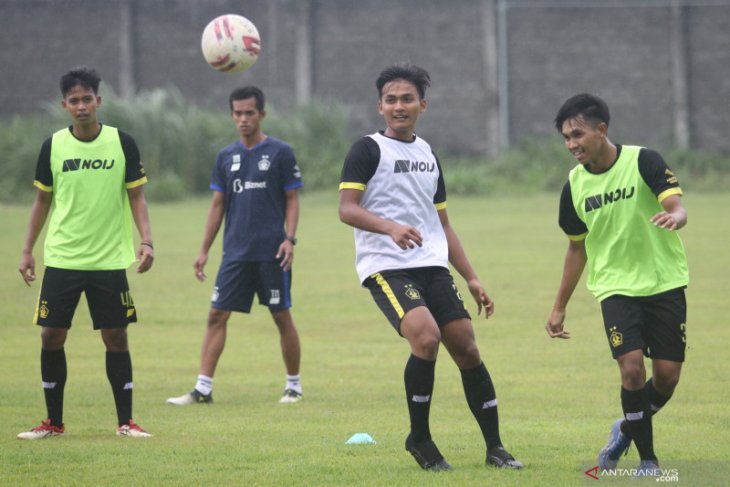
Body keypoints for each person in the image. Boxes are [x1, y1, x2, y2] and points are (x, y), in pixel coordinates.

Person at [338, 64, 522, 472]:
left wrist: (471, 276)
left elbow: (442, 223)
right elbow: (346, 209)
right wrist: (389, 227)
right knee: (425, 338)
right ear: (380, 106)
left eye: (407, 99)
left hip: (432, 265)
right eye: (391, 100)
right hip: (386, 266)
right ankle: (419, 437)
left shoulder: (427, 153)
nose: (398, 106)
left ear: (423, 104)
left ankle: (495, 448)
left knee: (467, 346)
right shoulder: (367, 150)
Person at [545, 93, 689, 476]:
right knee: (631, 371)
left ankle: (627, 426)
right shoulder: (574, 187)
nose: (572, 144)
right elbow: (577, 249)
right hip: (615, 287)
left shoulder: (643, 160)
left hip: (664, 281)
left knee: (668, 377)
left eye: (577, 134)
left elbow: (675, 203)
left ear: (601, 129)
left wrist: (676, 217)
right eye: (566, 138)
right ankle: (648, 461)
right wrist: (559, 305)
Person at [17, 66, 154, 439]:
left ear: (99, 100)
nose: (81, 106)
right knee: (50, 336)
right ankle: (53, 423)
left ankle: (126, 422)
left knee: (116, 337)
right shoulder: (54, 146)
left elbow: (136, 196)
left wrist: (146, 240)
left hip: (109, 259)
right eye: (74, 101)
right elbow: (42, 201)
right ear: (64, 105)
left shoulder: (122, 143)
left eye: (87, 99)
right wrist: (28, 250)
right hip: (62, 258)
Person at [167, 86, 304, 406]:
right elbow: (217, 206)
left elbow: (292, 199)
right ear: (232, 115)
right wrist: (204, 250)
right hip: (235, 254)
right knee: (216, 315)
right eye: (237, 113)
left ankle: (293, 386)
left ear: (262, 115)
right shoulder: (226, 156)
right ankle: (202, 389)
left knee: (281, 316)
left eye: (249, 113)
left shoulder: (281, 152)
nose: (243, 119)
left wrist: (290, 238)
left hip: (272, 253)